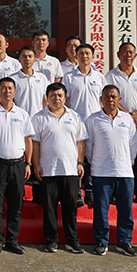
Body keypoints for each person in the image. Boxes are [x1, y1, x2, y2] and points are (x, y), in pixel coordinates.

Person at [0, 77, 35, 255]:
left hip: (18, 164)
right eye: (3, 88)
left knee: (15, 205)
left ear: (15, 91)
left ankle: (12, 240)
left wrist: (28, 163)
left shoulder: (22, 114)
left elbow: (28, 140)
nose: (7, 91)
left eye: (10, 88)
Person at [31, 83, 86, 254]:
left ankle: (72, 240)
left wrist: (80, 162)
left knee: (70, 208)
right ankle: (51, 241)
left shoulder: (74, 116)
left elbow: (80, 142)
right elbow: (35, 144)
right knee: (49, 209)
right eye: (53, 95)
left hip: (70, 170)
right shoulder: (39, 117)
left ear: (65, 97)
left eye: (60, 95)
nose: (57, 98)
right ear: (47, 98)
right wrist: (36, 165)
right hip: (48, 170)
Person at [85, 85, 137, 257]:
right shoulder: (93, 119)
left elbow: (133, 144)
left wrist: (128, 162)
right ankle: (102, 241)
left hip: (125, 173)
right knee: (101, 210)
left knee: (126, 210)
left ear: (119, 99)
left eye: (114, 96)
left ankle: (124, 241)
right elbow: (88, 146)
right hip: (101, 172)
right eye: (107, 96)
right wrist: (95, 162)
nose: (110, 100)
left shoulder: (127, 119)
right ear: (101, 99)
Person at [105, 42, 137, 204]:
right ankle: (116, 192)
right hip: (119, 122)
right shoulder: (111, 76)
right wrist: (127, 115)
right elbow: (109, 98)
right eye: (124, 52)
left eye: (131, 52)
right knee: (119, 156)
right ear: (118, 54)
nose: (128, 55)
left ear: (135, 56)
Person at [63, 43, 106, 206]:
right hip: (75, 122)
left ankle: (90, 191)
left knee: (94, 157)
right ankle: (77, 192)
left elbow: (103, 100)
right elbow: (65, 100)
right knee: (76, 157)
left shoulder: (99, 77)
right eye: (81, 53)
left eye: (87, 53)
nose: (84, 56)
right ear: (76, 56)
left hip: (95, 122)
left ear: (93, 56)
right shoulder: (69, 77)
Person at [10, 46, 48, 117]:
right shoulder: (12, 78)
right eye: (24, 56)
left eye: (30, 56)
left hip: (38, 117)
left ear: (34, 59)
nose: (27, 59)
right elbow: (10, 100)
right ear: (19, 59)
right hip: (19, 117)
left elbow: (45, 100)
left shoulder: (42, 78)